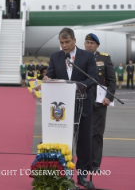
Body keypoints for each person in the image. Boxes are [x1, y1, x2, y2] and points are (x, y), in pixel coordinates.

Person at [45, 28, 98, 187]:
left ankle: (82, 175)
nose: (64, 46)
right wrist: (47, 80)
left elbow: (93, 78)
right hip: (63, 109)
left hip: (83, 106)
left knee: (83, 142)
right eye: (61, 43)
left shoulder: (87, 56)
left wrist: (81, 87)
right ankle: (65, 174)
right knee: (65, 142)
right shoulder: (55, 57)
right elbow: (51, 76)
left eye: (67, 42)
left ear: (74, 40)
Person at [84, 33, 116, 173]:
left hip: (99, 102)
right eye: (87, 43)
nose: (89, 45)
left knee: (96, 133)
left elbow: (111, 80)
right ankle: (84, 163)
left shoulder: (104, 58)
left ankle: (95, 164)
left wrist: (109, 97)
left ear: (97, 45)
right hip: (83, 100)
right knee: (83, 133)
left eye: (92, 43)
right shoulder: (79, 58)